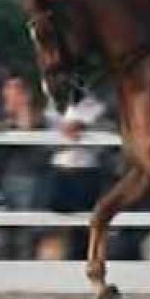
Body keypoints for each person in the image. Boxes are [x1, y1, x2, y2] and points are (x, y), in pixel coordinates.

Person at [46, 85, 111, 260]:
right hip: (59, 168)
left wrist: (83, 127)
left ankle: (81, 262)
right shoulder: (53, 103)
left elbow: (106, 133)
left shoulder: (97, 105)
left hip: (87, 170)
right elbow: (48, 128)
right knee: (54, 223)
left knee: (84, 226)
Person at [0, 75, 51, 260]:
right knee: (2, 234)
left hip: (31, 181)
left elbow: (28, 129)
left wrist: (22, 110)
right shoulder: (0, 118)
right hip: (5, 180)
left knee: (26, 234)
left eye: (12, 93)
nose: (7, 98)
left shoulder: (39, 118)